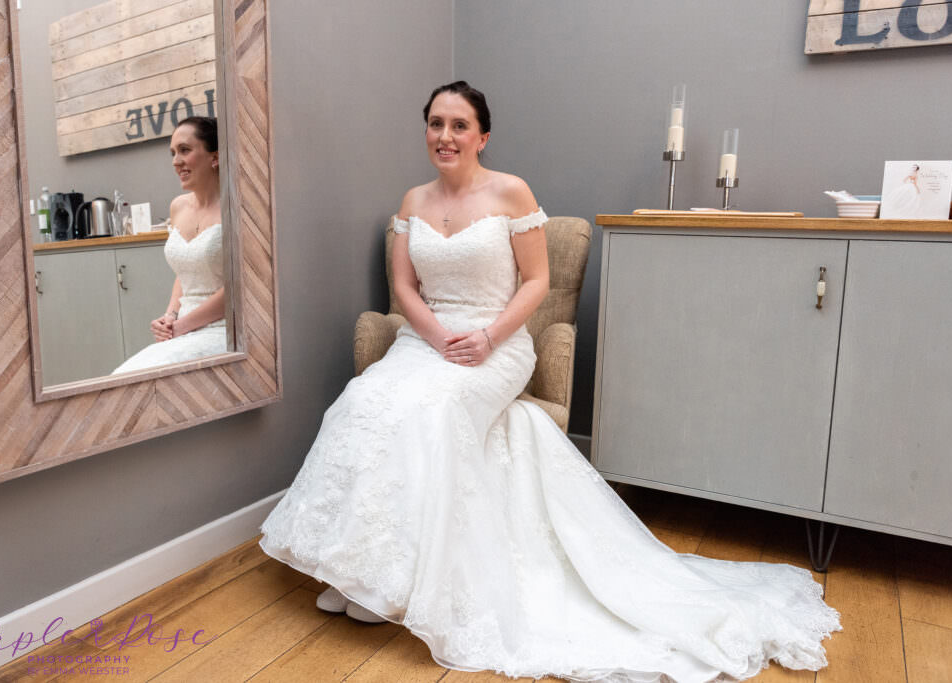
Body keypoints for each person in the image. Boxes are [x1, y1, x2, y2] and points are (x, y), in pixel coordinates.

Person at [260, 81, 841, 681]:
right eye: (436, 123)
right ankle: (357, 569)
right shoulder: (413, 199)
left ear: (482, 135)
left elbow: (536, 282)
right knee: (367, 399)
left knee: (434, 412)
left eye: (460, 125)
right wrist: (434, 336)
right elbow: (404, 286)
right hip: (426, 338)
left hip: (499, 343)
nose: (445, 136)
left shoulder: (512, 192)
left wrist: (486, 339)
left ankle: (394, 586)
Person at [112, 116, 227, 375]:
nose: (176, 161)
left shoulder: (235, 209)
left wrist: (183, 325)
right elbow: (185, 272)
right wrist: (169, 317)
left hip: (223, 328)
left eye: (185, 150)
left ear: (215, 157)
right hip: (183, 327)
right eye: (173, 153)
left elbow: (238, 289)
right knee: (122, 377)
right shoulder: (178, 206)